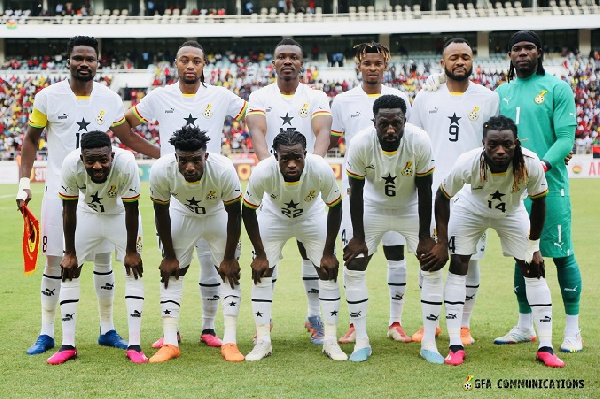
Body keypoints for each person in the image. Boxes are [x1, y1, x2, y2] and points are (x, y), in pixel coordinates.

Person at [16, 35, 159, 356]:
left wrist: (166, 156)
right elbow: (29, 140)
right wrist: (24, 181)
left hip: (101, 196)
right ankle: (46, 332)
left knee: (105, 260)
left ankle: (107, 328)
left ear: (98, 62)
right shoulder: (47, 97)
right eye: (78, 58)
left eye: (89, 59)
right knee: (56, 262)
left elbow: (129, 138)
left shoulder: (109, 99)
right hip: (60, 193)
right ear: (68, 61)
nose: (84, 63)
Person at [125, 40, 248, 349]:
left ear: (204, 65)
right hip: (177, 187)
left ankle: (209, 329)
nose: (190, 65)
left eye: (196, 60)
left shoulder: (220, 96)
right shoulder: (160, 96)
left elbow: (254, 116)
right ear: (175, 64)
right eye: (184, 60)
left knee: (212, 265)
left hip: (213, 189)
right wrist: (159, 153)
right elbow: (124, 124)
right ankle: (172, 333)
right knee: (176, 265)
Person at [421, 115, 565, 368]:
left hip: (511, 213)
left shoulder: (530, 163)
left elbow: (540, 203)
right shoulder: (468, 162)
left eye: (507, 145)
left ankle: (546, 347)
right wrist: (442, 242)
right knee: (459, 265)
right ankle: (455, 344)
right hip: (469, 211)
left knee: (532, 269)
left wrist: (534, 246)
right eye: (493, 145)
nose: (500, 151)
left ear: (516, 143)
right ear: (484, 143)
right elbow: (442, 196)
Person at [494, 30, 583, 352]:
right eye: (516, 48)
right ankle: (523, 325)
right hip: (513, 194)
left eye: (529, 48)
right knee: (522, 258)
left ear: (539, 52)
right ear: (509, 55)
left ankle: (572, 330)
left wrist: (542, 166)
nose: (522, 53)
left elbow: (564, 138)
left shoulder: (557, 88)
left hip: (549, 189)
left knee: (561, 256)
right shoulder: (501, 91)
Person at [409, 38, 499, 345]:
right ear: (442, 63)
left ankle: (462, 325)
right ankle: (430, 324)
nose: (459, 61)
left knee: (468, 259)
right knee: (429, 259)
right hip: (432, 190)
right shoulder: (425, 96)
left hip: (474, 192)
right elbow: (413, 142)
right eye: (453, 57)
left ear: (472, 61)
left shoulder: (488, 98)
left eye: (465, 56)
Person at [247, 38, 332, 343]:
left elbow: (323, 133)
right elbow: (257, 131)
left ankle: (314, 317)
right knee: (267, 258)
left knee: (314, 257)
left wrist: (314, 169)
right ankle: (264, 323)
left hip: (307, 188)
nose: (287, 61)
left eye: (293, 57)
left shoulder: (317, 96)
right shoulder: (259, 95)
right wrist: (269, 171)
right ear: (273, 63)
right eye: (281, 57)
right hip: (275, 186)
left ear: (301, 63)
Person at [329, 42, 414, 345]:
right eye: (367, 63)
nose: (373, 68)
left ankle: (396, 321)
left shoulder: (401, 98)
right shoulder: (342, 100)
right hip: (358, 190)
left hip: (395, 191)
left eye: (378, 63)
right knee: (356, 255)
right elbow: (335, 140)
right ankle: (354, 325)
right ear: (359, 65)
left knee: (396, 254)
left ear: (385, 66)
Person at [342, 94, 437, 362]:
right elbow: (356, 192)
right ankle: (361, 339)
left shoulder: (419, 140)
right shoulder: (360, 143)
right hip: (373, 207)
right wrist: (358, 237)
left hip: (410, 207)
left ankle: (429, 341)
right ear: (374, 122)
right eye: (384, 123)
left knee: (431, 264)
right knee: (354, 265)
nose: (391, 129)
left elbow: (426, 189)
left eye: (397, 122)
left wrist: (424, 237)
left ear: (405, 120)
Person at [242, 130, 345, 361]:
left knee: (327, 270)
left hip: (311, 217)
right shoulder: (262, 172)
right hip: (273, 217)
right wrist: (260, 253)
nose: (291, 164)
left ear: (305, 154)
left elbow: (335, 206)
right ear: (274, 155)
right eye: (284, 158)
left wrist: (328, 252)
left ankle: (330, 340)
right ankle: (262, 341)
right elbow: (247, 210)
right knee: (262, 271)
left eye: (297, 158)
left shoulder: (319, 169)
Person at [48, 131, 146, 365]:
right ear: (82, 159)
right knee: (69, 271)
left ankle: (135, 345)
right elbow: (68, 209)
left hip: (120, 215)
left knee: (133, 270)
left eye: (103, 159)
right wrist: (69, 252)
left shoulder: (127, 164)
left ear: (112, 155)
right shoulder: (71, 164)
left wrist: (131, 251)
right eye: (90, 161)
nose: (97, 166)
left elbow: (132, 209)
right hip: (87, 214)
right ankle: (68, 345)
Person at [148, 125, 243, 363]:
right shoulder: (161, 170)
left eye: (196, 160)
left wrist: (229, 257)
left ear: (206, 156)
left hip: (216, 214)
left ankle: (230, 341)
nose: (190, 167)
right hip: (182, 214)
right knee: (172, 271)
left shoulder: (223, 170)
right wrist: (169, 255)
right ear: (175, 157)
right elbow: (161, 214)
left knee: (229, 272)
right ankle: (170, 342)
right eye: (183, 161)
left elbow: (235, 214)